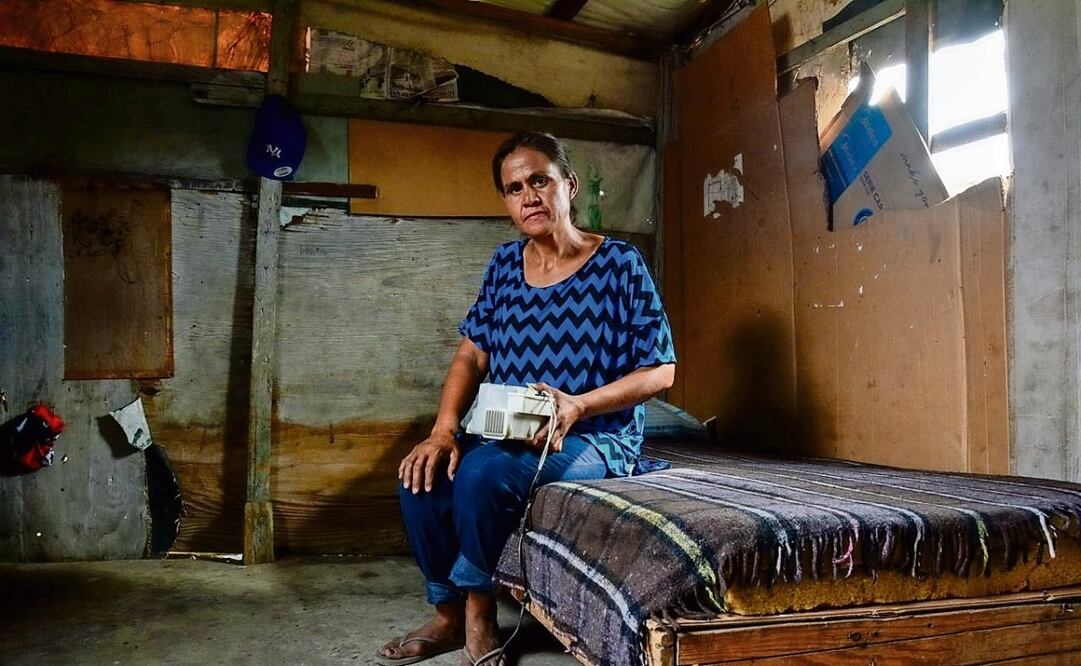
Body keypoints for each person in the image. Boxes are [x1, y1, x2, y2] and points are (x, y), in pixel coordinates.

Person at [377, 132, 676, 666]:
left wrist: (578, 405)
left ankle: (478, 611)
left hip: (591, 434)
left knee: (481, 474)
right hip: (508, 428)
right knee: (419, 478)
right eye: (514, 188)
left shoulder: (620, 265)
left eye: (539, 180)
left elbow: (661, 370)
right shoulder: (503, 266)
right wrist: (443, 429)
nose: (529, 196)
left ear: (569, 184)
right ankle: (446, 617)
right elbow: (471, 354)